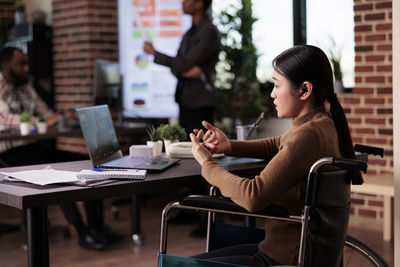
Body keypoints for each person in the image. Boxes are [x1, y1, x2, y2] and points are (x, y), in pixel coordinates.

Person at [189, 45, 363, 266]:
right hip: (300, 249)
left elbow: (252, 196)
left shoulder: (307, 135)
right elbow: (277, 144)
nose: (272, 93)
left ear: (304, 90)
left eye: (277, 85)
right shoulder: (322, 124)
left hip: (283, 258)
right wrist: (229, 146)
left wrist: (207, 163)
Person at [0, 46, 119, 250]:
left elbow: (48, 115)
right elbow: (6, 119)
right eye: (21, 64)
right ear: (5, 65)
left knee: (90, 163)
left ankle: (97, 227)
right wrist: (42, 121)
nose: (26, 68)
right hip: (10, 153)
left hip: (35, 148)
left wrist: (61, 117)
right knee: (56, 174)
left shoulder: (27, 89)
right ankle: (82, 232)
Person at [143, 0, 221, 135]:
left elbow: (184, 63)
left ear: (199, 4)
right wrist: (184, 71)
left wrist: (155, 54)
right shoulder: (190, 32)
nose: (183, 2)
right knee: (186, 147)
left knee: (201, 146)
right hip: (184, 99)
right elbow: (178, 64)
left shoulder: (209, 31)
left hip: (200, 101)